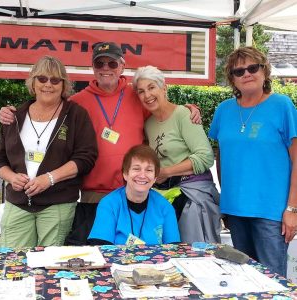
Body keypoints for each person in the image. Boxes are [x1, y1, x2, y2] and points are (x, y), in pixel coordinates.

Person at [0, 42, 200, 204]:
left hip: (134, 188)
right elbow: (45, 104)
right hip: (92, 195)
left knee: (131, 251)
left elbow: (162, 110)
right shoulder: (77, 102)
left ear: (122, 66)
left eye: (112, 64)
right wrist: (11, 112)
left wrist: (186, 108)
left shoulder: (136, 94)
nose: (106, 69)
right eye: (99, 64)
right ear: (92, 68)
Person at [209, 46, 297, 277]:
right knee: (243, 280)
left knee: (272, 282)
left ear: (264, 71)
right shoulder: (223, 110)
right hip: (235, 211)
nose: (246, 74)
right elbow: (221, 156)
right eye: (239, 71)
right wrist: (225, 199)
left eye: (252, 67)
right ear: (232, 79)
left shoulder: (282, 105)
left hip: (272, 213)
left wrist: (292, 208)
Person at [0, 55, 97, 247]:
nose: (48, 85)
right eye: (42, 79)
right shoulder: (14, 116)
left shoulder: (76, 115)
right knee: (13, 264)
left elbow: (86, 157)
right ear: (33, 83)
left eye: (55, 79)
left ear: (64, 84)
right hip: (18, 204)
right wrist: (10, 177)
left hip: (57, 204)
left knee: (51, 265)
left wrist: (49, 178)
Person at [132, 65, 221, 244]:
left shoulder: (183, 115)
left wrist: (166, 172)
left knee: (194, 256)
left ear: (164, 88)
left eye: (151, 87)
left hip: (193, 199)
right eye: (141, 91)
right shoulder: (149, 124)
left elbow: (205, 156)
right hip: (166, 197)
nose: (147, 95)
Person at [87, 144, 180, 245]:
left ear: (155, 178)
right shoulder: (108, 204)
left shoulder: (165, 207)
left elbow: (173, 250)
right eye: (136, 169)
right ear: (125, 174)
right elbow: (100, 249)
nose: (142, 175)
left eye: (149, 170)